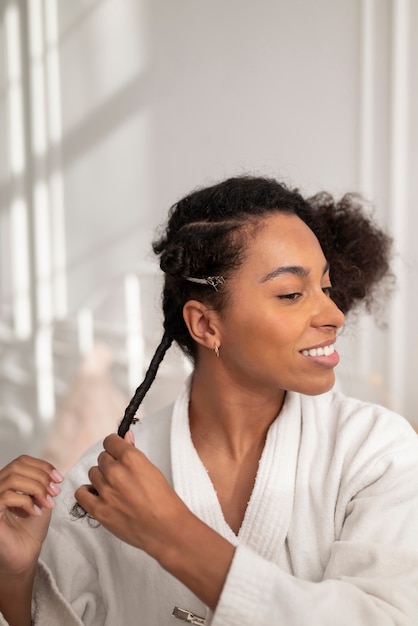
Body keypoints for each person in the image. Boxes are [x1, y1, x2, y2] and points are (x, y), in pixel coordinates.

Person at [0, 175, 417, 626]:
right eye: (292, 294)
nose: (335, 315)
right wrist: (16, 579)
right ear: (205, 325)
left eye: (326, 287)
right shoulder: (109, 481)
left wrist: (172, 534)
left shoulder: (377, 451)